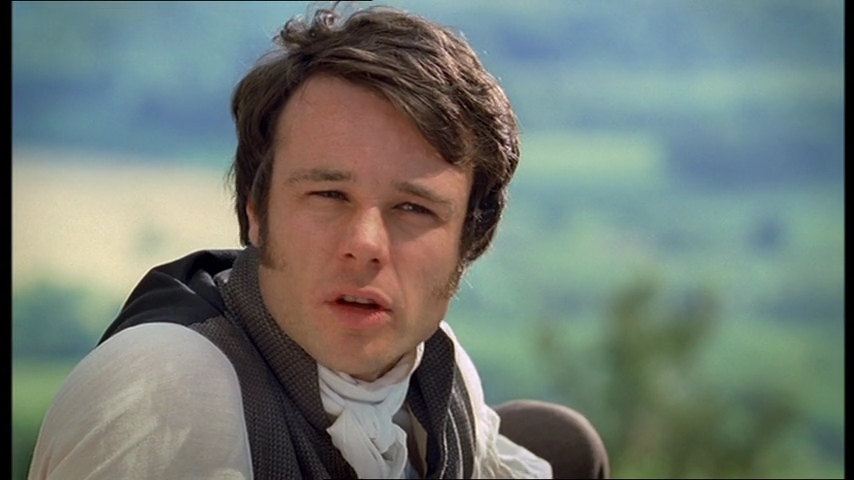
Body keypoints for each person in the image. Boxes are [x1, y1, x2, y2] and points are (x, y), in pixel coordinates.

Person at [28, 3, 608, 479]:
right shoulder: (171, 397)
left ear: (469, 241)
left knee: (563, 442)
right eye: (329, 195)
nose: (364, 243)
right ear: (257, 211)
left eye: (413, 208)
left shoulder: (437, 368)